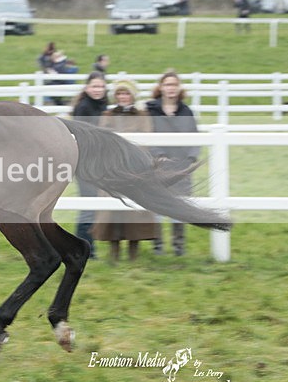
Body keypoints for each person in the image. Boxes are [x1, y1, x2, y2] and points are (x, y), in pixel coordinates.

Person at [91, 79, 159, 261]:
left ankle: (133, 254)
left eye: (126, 93)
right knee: (113, 211)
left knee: (134, 211)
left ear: (132, 96)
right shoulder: (108, 114)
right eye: (120, 93)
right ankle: (114, 253)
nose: (123, 97)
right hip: (112, 168)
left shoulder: (142, 115)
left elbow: (146, 138)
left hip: (134, 168)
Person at [145, 70, 200, 256]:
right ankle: (158, 246)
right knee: (158, 206)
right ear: (161, 87)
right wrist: (158, 156)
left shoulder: (186, 112)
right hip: (158, 165)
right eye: (167, 84)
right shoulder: (151, 111)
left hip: (181, 166)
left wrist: (191, 159)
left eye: (174, 85)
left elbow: (194, 137)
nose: (171, 88)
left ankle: (179, 247)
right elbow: (147, 135)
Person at [71, 71, 108, 256]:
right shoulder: (84, 107)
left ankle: (87, 247)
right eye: (94, 86)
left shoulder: (102, 106)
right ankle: (84, 248)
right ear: (87, 88)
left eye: (101, 86)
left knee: (92, 204)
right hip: (85, 163)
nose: (98, 90)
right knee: (89, 204)